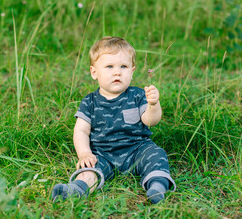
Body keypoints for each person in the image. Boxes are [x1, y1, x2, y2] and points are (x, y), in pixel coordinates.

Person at [52, 36, 176, 204]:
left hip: (137, 150)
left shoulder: (138, 95)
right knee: (88, 168)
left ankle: (157, 186)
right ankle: (78, 188)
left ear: (132, 71)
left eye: (123, 66)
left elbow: (150, 121)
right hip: (103, 155)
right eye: (109, 66)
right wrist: (85, 153)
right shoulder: (90, 102)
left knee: (156, 155)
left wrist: (153, 104)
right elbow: (81, 130)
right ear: (94, 72)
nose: (117, 72)